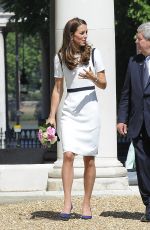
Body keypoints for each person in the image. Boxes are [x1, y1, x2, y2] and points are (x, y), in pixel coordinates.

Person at [47, 17, 106, 220]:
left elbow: (104, 84)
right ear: (71, 35)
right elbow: (57, 89)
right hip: (70, 109)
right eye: (82, 33)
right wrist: (51, 115)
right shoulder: (60, 57)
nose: (85, 36)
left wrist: (93, 78)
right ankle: (67, 201)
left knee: (89, 158)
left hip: (89, 106)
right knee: (68, 155)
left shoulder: (94, 53)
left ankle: (86, 203)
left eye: (86, 32)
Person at [117, 22, 150, 222]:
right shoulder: (133, 62)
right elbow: (126, 94)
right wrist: (122, 119)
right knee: (143, 168)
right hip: (138, 124)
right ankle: (148, 206)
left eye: (139, 38)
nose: (136, 42)